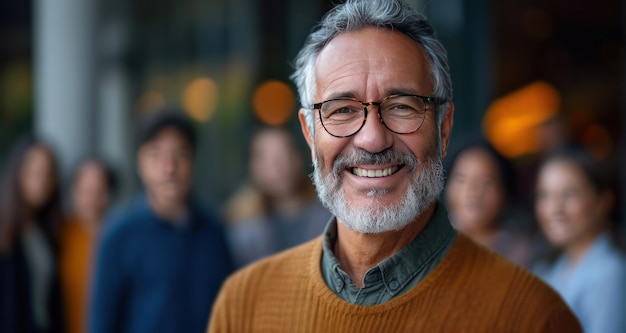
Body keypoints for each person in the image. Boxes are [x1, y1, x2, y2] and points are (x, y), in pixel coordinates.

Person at [207, 0, 581, 332]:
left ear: (444, 128)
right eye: (342, 110)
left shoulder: (533, 318)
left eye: (402, 106)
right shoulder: (243, 304)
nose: (372, 139)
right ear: (309, 133)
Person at [90, 109, 234, 333]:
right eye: (155, 155)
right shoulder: (119, 234)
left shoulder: (213, 231)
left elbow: (230, 312)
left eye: (180, 155)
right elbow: (101, 323)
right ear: (139, 164)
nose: (169, 169)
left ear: (193, 160)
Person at [533, 146, 626, 333]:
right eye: (545, 196)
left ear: (603, 201)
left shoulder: (611, 273)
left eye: (569, 194)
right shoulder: (549, 269)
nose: (555, 209)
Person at [224, 125, 331, 267]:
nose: (277, 165)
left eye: (284, 153)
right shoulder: (240, 227)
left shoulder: (329, 217)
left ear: (298, 157)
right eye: (265, 157)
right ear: (253, 166)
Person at [0, 134, 65, 333]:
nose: (41, 180)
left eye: (48, 173)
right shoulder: (5, 229)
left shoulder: (45, 230)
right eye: (33, 172)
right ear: (17, 172)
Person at [445, 138, 536, 267]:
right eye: (461, 180)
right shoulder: (429, 243)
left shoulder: (520, 253)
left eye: (486, 183)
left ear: (504, 192)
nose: (473, 191)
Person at [59, 157, 116, 333]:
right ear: (73, 192)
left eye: (98, 191)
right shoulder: (59, 234)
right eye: (85, 191)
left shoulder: (121, 238)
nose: (91, 199)